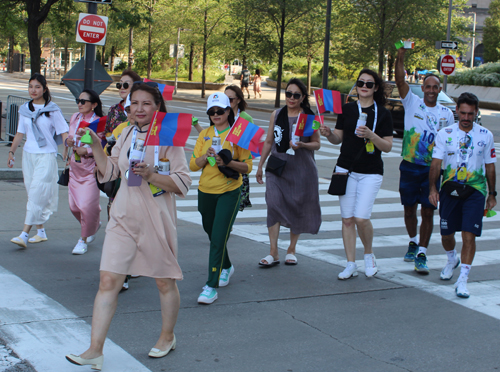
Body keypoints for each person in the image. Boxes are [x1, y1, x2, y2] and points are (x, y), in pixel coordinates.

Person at [65, 82, 191, 368]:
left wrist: (151, 175)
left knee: (164, 281)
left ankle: (167, 336)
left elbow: (182, 182)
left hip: (155, 216)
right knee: (108, 280)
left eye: (146, 103)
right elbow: (110, 170)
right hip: (122, 214)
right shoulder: (126, 133)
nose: (139, 109)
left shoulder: (168, 137)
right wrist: (96, 145)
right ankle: (95, 349)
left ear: (157, 107)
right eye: (134, 103)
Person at [320, 69, 393, 279]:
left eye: (369, 84)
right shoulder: (348, 109)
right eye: (361, 82)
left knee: (361, 218)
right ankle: (350, 263)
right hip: (346, 169)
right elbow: (338, 139)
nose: (364, 86)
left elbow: (387, 146)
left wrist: (371, 135)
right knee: (347, 219)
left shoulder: (383, 113)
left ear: (376, 88)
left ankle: (368, 254)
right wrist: (329, 134)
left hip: (371, 171)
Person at [429, 93, 496, 298]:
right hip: (450, 189)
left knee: (469, 234)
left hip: (475, 191)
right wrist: (433, 189)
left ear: (476, 112)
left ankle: (463, 280)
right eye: (463, 113)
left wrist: (492, 194)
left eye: (471, 114)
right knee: (446, 235)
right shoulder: (444, 134)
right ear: (456, 111)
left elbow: (490, 167)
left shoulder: (485, 135)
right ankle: (452, 259)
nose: (466, 118)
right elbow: (436, 165)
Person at [395, 47, 455, 274]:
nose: (431, 90)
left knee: (428, 211)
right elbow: (400, 79)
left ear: (440, 89)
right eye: (427, 87)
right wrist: (400, 57)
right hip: (410, 166)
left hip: (432, 169)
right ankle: (412, 241)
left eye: (435, 87)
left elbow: (448, 145)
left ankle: (422, 252)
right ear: (422, 88)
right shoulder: (412, 103)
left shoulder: (446, 114)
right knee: (409, 210)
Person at [190, 92, 253, 305]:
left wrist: (226, 162)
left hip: (229, 191)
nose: (216, 114)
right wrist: (205, 157)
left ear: (229, 111)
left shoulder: (238, 133)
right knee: (212, 233)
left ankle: (211, 286)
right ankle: (226, 266)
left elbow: (247, 167)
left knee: (218, 238)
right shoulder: (204, 134)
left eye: (220, 111)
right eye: (212, 111)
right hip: (205, 191)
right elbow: (192, 165)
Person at [256, 78, 321, 267]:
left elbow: (317, 143)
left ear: (302, 97)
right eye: (288, 94)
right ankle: (273, 251)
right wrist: (260, 165)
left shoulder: (310, 117)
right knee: (273, 203)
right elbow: (269, 141)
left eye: (296, 95)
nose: (291, 98)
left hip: (302, 168)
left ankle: (291, 249)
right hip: (277, 167)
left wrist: (302, 145)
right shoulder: (276, 114)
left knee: (297, 206)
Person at [7, 74, 69, 248]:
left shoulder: (52, 109)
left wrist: (66, 148)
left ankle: (24, 234)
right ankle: (40, 231)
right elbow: (20, 133)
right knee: (32, 194)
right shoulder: (24, 109)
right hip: (28, 156)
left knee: (36, 193)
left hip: (46, 156)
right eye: (30, 86)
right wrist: (11, 152)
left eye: (37, 87)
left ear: (44, 89)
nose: (33, 90)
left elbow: (63, 131)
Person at [63, 90, 104, 255]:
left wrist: (85, 151)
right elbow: (68, 138)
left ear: (94, 105)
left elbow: (101, 146)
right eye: (78, 100)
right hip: (75, 168)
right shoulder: (75, 117)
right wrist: (68, 141)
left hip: (90, 170)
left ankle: (83, 239)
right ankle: (94, 223)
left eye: (83, 101)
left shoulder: (98, 122)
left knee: (86, 206)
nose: (79, 104)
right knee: (74, 207)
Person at [225, 85, 254, 211]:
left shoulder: (245, 118)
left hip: (239, 166)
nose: (227, 103)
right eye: (224, 99)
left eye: (230, 99)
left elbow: (252, 143)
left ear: (238, 100)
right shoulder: (221, 115)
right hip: (222, 163)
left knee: (234, 207)